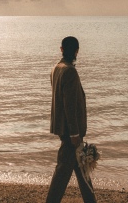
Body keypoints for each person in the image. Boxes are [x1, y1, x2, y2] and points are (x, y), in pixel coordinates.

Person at [46, 36, 97, 203]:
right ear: (76, 51)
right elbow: (69, 105)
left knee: (82, 168)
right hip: (70, 132)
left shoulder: (56, 68)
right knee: (62, 172)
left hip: (63, 128)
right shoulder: (69, 71)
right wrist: (74, 133)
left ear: (61, 49)